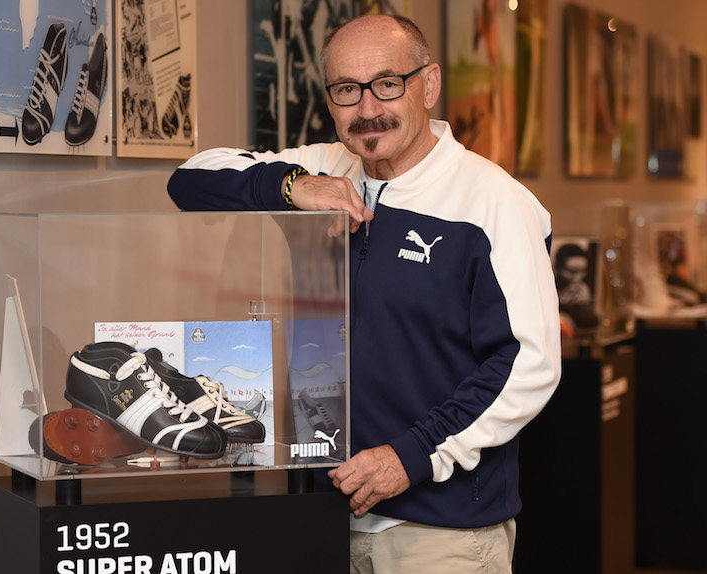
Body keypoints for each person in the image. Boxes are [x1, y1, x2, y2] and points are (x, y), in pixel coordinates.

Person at [168, 14, 561, 573]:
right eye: (347, 90)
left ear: (428, 85)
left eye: (387, 83)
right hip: (319, 516)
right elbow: (189, 179)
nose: (368, 108)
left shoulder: (494, 202)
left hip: (438, 531)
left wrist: (413, 456)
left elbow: (529, 363)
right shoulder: (328, 166)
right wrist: (292, 186)